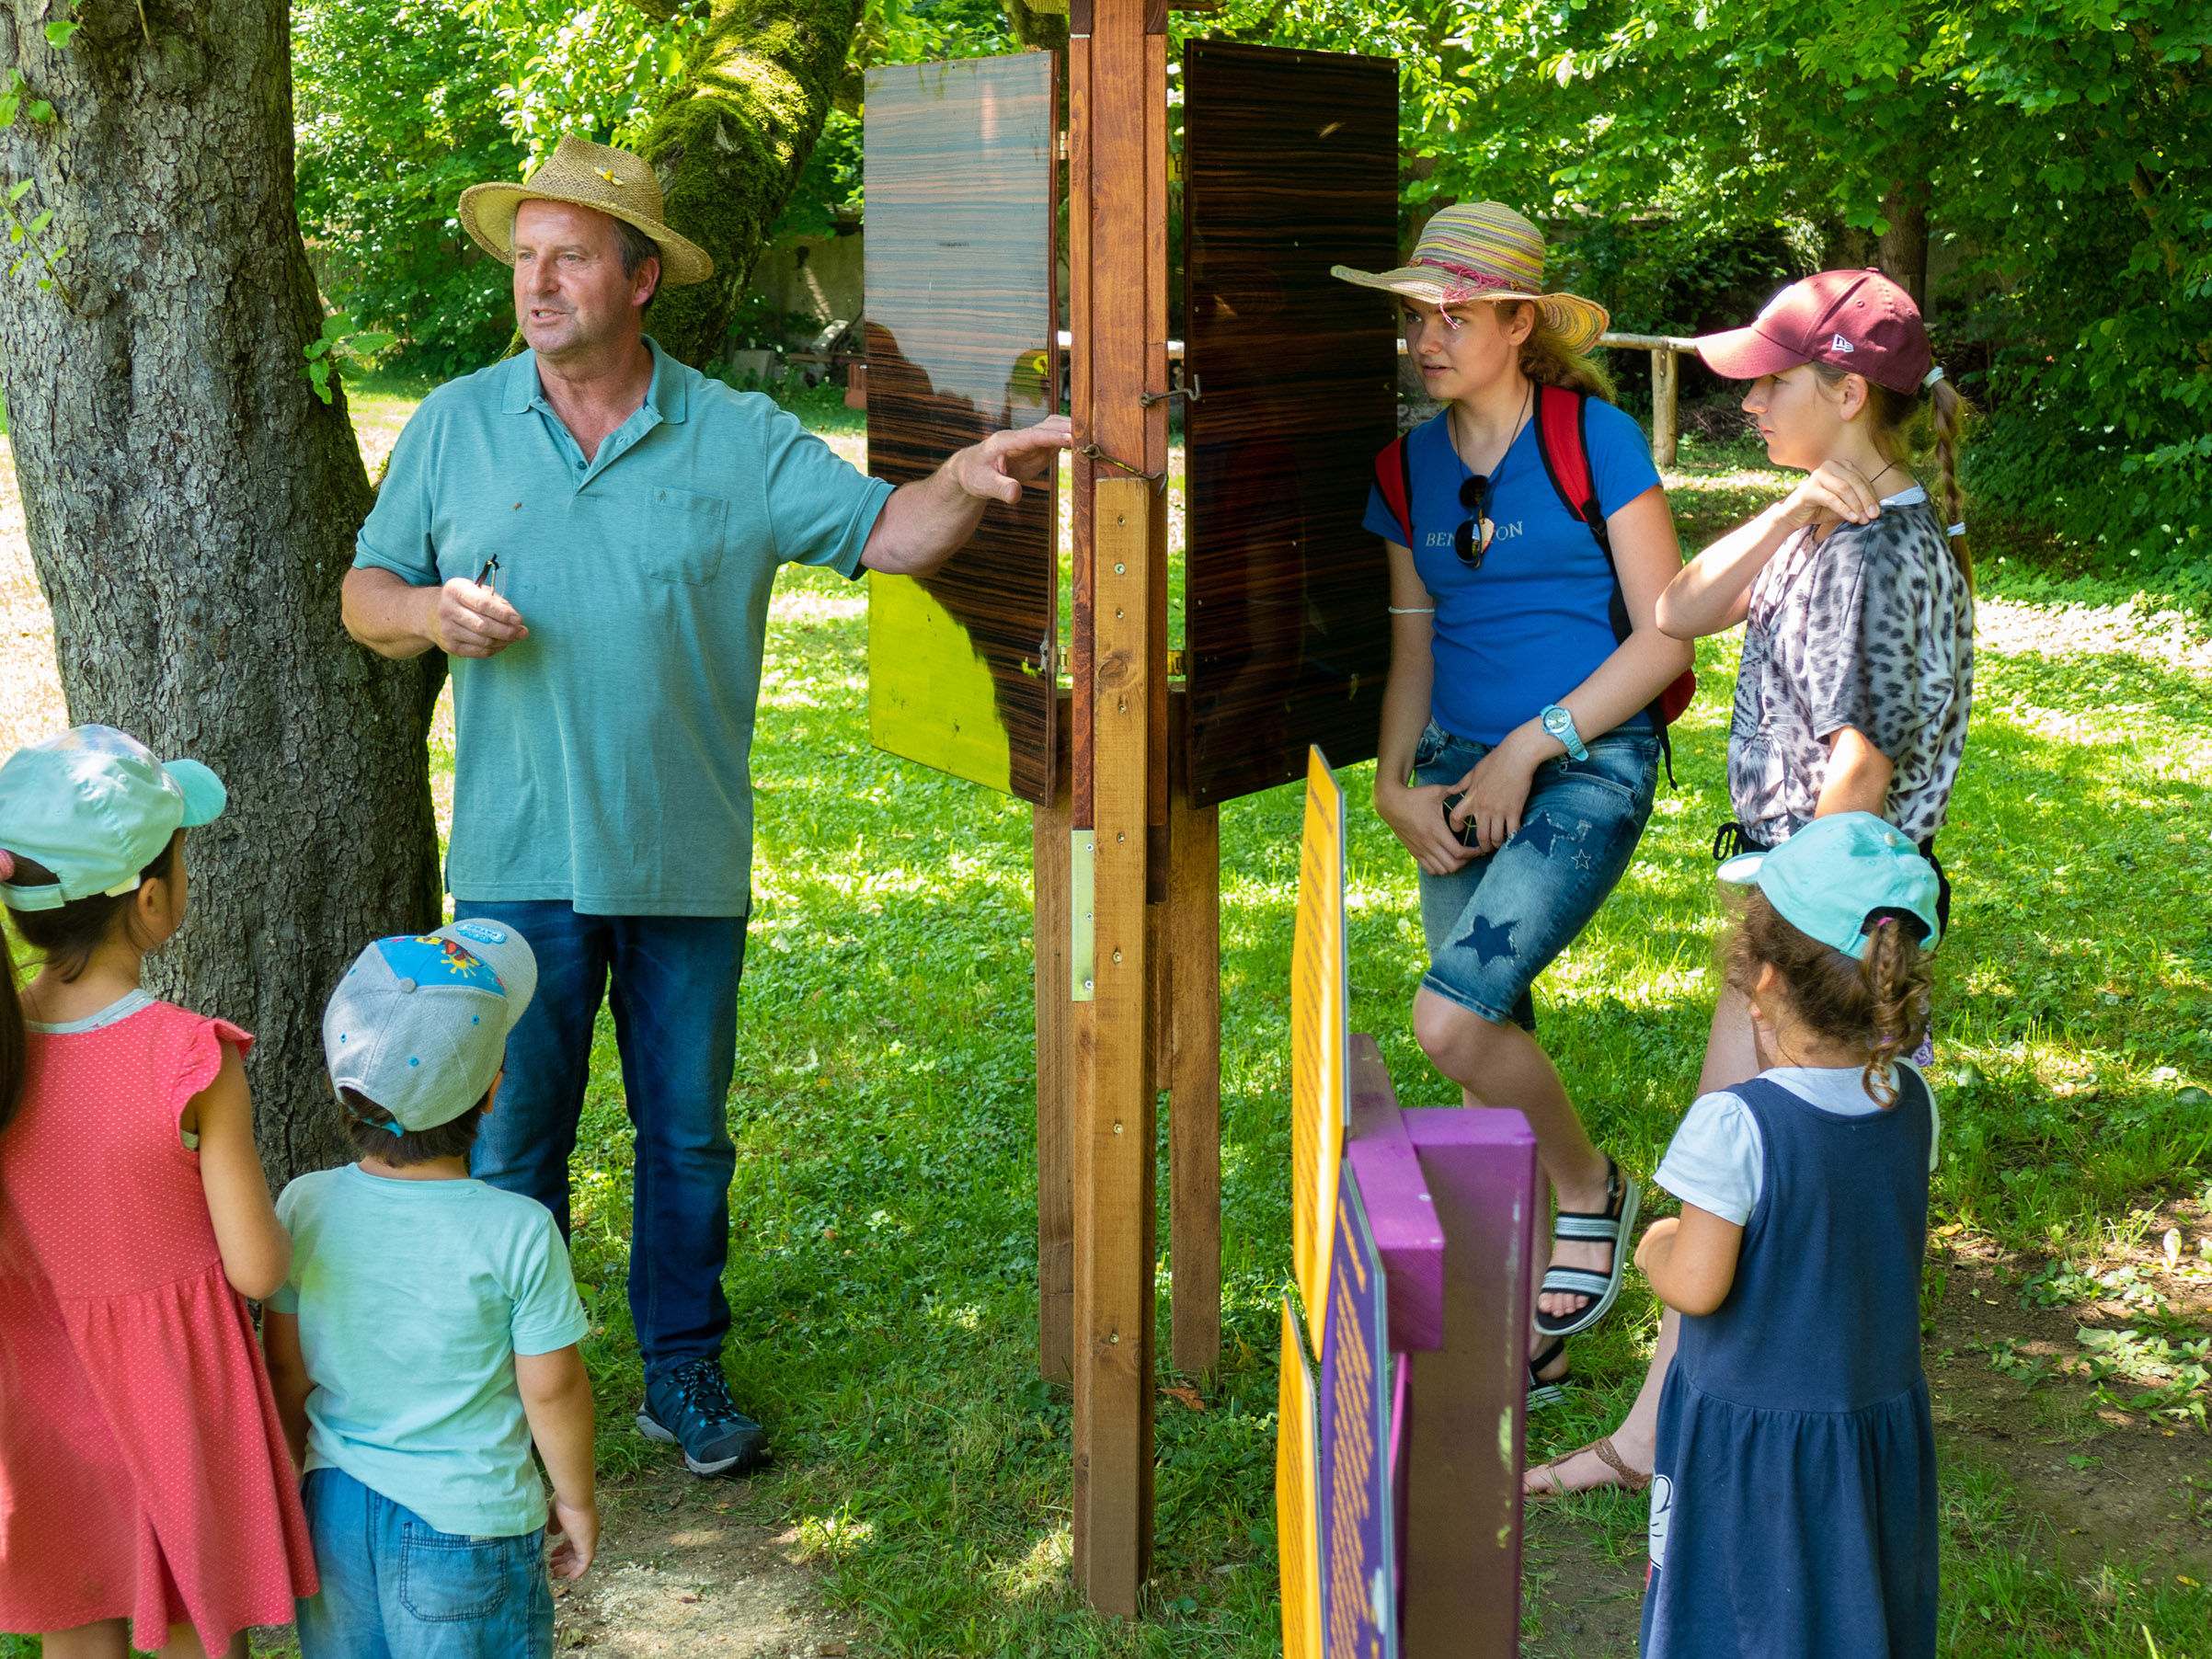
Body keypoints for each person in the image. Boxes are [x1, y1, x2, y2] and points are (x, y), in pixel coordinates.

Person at [339, 136, 1071, 1478]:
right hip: (515, 862)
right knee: (512, 1140)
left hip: (683, 857)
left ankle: (680, 1370)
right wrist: (425, 612)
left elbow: (886, 533)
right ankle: (515, 1376)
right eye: (523, 259)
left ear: (640, 280)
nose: (537, 282)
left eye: (567, 257)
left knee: (685, 1140)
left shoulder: (735, 436)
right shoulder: (453, 422)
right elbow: (363, 594)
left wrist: (963, 482)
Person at [1529, 266, 1974, 1494]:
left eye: (1769, 383)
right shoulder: (1836, 527)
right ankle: (1667, 1434)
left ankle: (1713, 1449)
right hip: (1811, 913)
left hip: (1820, 923)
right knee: (1742, 1172)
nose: (1747, 404)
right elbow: (1674, 605)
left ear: (1843, 389)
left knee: (1747, 1173)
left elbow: (1859, 775)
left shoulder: (1878, 560)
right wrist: (1787, 514)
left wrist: (1783, 958)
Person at [1333, 202, 1695, 1389]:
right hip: (1451, 768)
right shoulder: (1405, 465)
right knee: (1485, 1028)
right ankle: (1533, 1316)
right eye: (1412, 316)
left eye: (1452, 315)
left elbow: (1665, 635)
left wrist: (1529, 747)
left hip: (1588, 761)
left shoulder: (1593, 438)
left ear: (1516, 322)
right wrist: (1394, 783)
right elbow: (1414, 644)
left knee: (1449, 1017)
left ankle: (1587, 1188)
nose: (1424, 338)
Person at [0, 726, 315, 1658]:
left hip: (36, 1391)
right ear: (151, 900)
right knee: (192, 1628)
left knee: (79, 1625)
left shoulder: (1, 1046)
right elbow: (257, 1268)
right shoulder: (189, 1057)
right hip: (176, 1392)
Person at [1631, 812, 1944, 1658]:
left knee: (1740, 1615)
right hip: (1869, 1419)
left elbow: (1696, 1283)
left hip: (1754, 1440)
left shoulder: (1735, 1123)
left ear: (1761, 982)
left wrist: (1654, 1242)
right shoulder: (1911, 1105)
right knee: (1852, 1606)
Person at [263, 921, 595, 1657]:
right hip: (469, 1524)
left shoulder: (303, 1205)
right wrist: (574, 1498)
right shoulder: (518, 1229)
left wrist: (295, 1479)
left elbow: (285, 1368)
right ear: (493, 1089)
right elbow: (552, 1390)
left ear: (339, 1081)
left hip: (335, 1511)